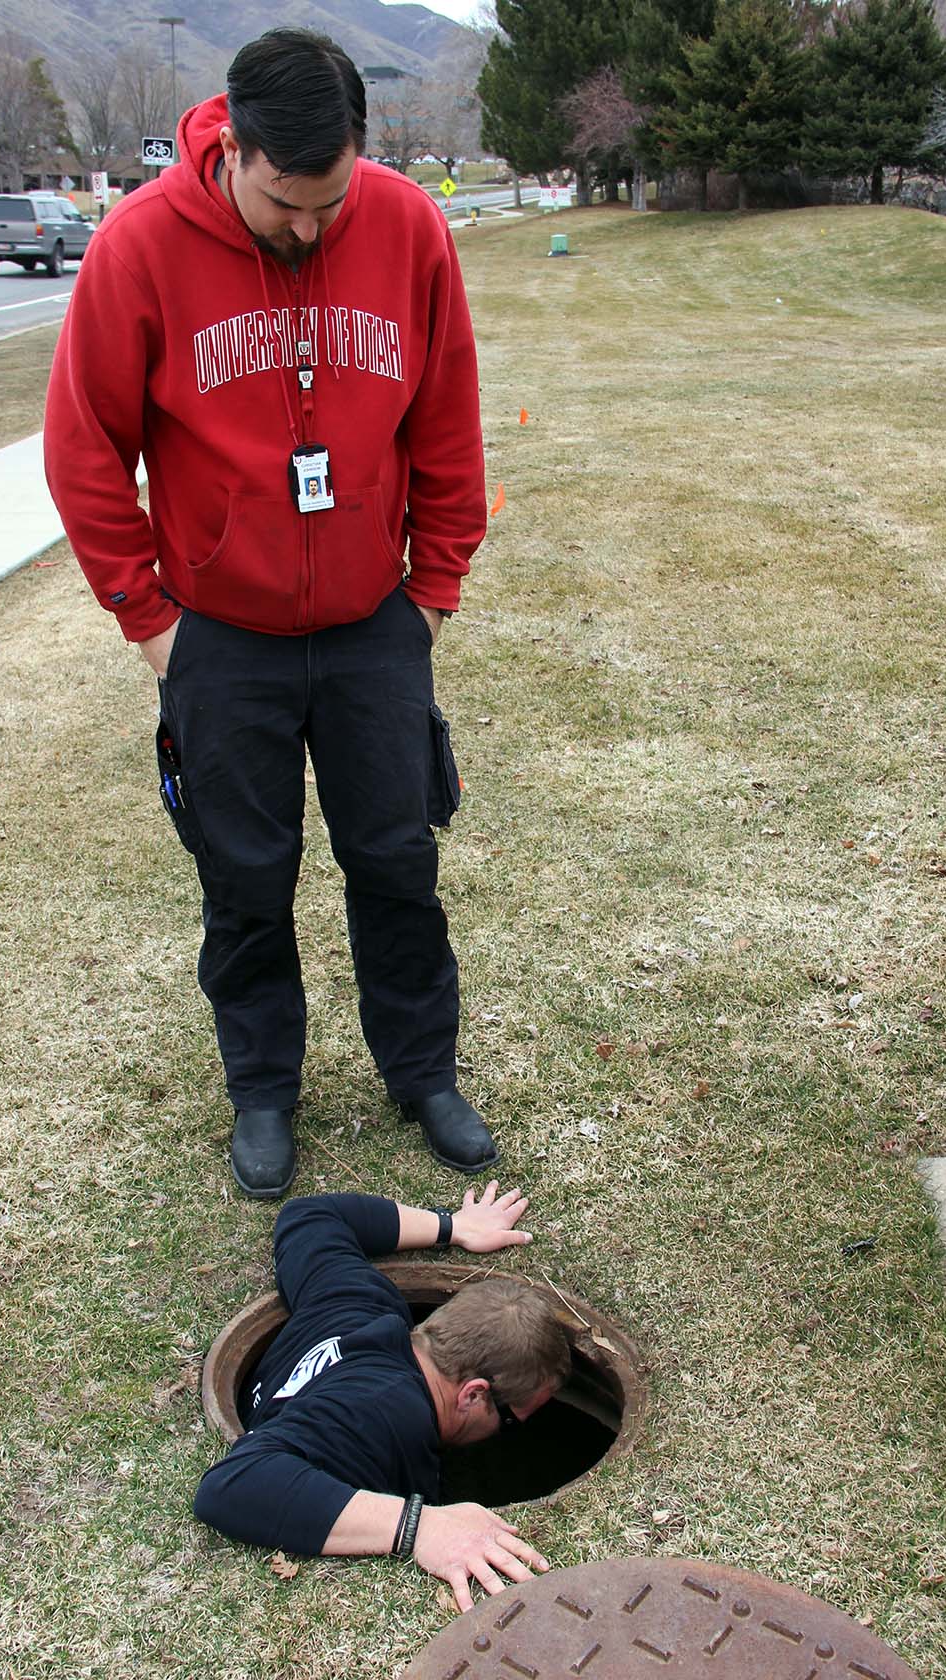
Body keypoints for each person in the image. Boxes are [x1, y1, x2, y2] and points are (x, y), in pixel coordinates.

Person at [43, 28, 493, 1198]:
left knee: (396, 859)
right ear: (229, 149)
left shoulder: (405, 228)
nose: (309, 227)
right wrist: (151, 625)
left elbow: (445, 417)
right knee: (243, 876)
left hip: (369, 631)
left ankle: (423, 1070)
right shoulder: (138, 248)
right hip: (220, 639)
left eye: (330, 199)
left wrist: (430, 594)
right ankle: (262, 1091)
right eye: (286, 203)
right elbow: (84, 449)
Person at [192, 1182, 572, 1611]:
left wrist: (453, 1226)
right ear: (473, 1395)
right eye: (510, 1421)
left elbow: (308, 1218)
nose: (507, 1433)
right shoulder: (381, 1420)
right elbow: (232, 1487)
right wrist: (420, 1526)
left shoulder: (363, 1304)